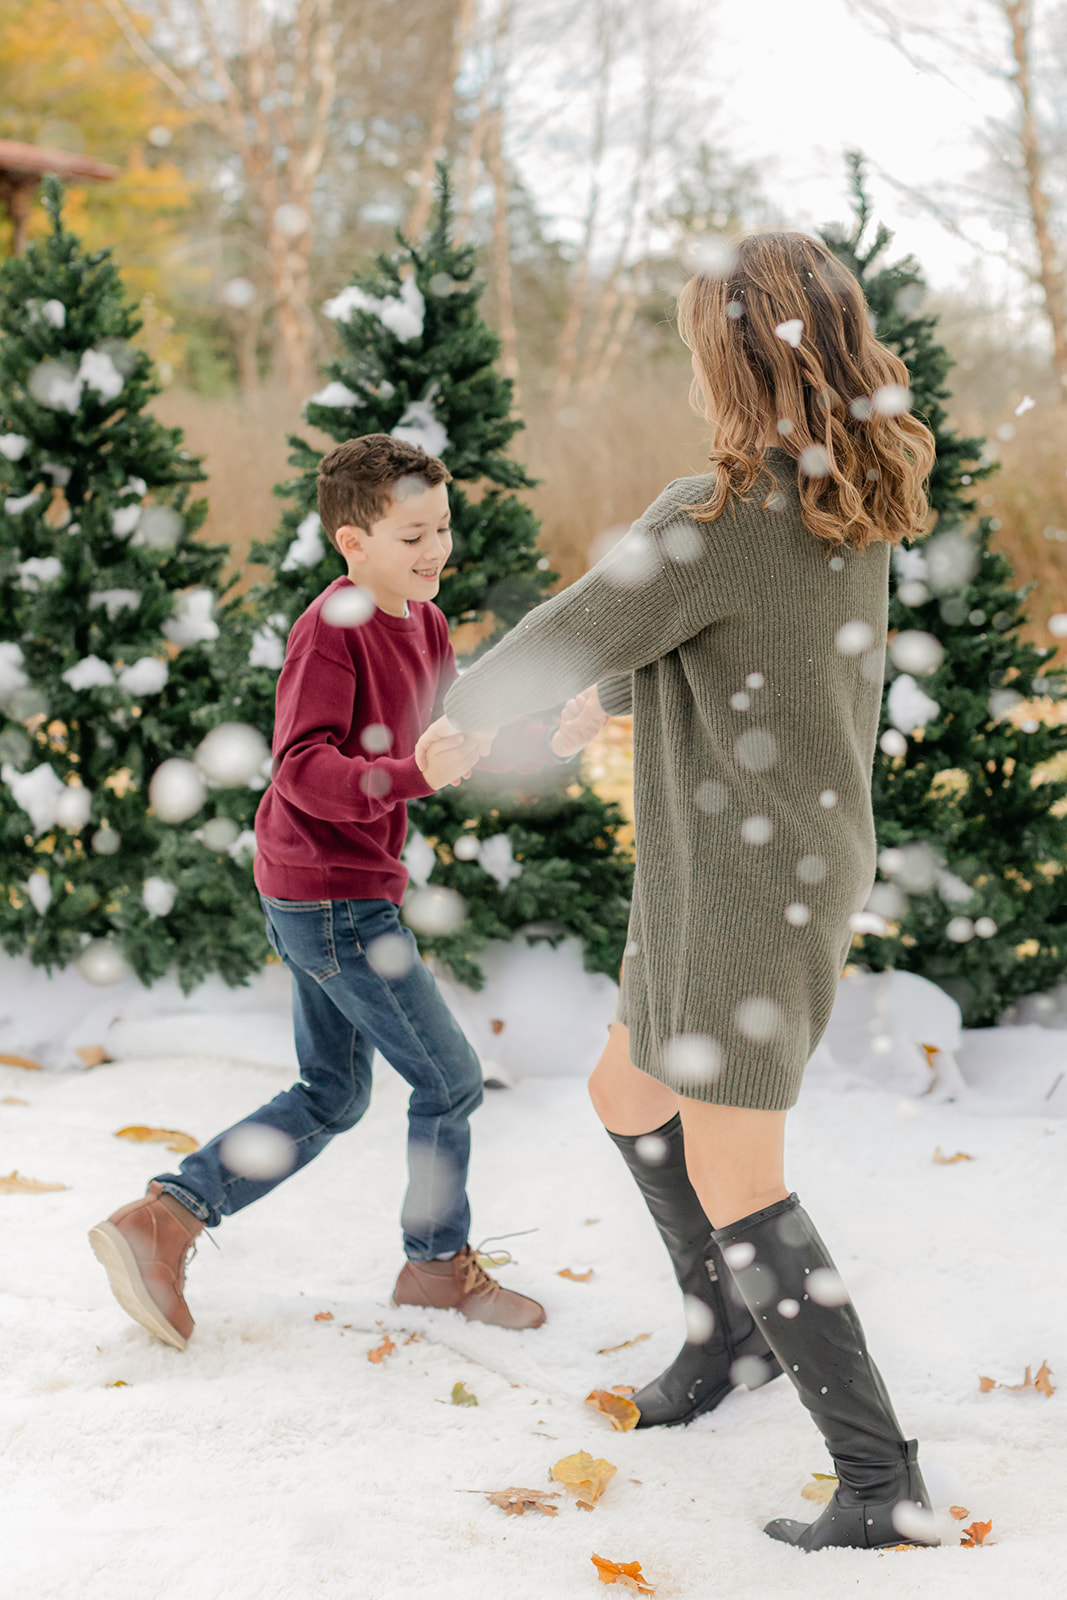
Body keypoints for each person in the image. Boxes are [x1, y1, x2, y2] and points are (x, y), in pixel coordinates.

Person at [418, 232, 940, 1552]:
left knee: (733, 1168)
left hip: (744, 884)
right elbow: (718, 643)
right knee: (624, 1087)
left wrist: (465, 713)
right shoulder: (837, 486)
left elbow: (582, 622)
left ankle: (879, 1482)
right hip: (748, 861)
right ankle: (726, 1342)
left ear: (727, 351)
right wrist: (615, 688)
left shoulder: (714, 511)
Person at [89, 434, 600, 1352]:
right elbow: (300, 769)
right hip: (329, 892)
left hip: (328, 886)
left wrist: (549, 739)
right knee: (446, 1079)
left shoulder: (425, 621)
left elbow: (457, 738)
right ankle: (436, 1270)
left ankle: (164, 1221)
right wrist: (405, 773)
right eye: (412, 535)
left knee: (331, 1091)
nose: (435, 548)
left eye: (442, 526)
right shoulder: (335, 628)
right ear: (352, 543)